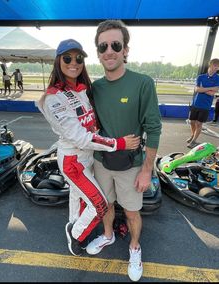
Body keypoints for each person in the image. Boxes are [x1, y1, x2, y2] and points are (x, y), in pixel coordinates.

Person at [37, 39, 140, 257]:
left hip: (89, 157)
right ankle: (76, 235)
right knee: (100, 205)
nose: (73, 62)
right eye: (67, 58)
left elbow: (92, 124)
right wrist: (119, 143)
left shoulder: (82, 90)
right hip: (73, 161)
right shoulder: (52, 98)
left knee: (78, 196)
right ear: (58, 61)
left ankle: (73, 224)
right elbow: (81, 137)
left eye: (78, 58)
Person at [85, 20, 162, 282]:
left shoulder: (143, 83)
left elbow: (154, 128)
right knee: (104, 204)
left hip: (131, 165)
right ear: (97, 52)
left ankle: (134, 248)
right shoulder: (94, 88)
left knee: (130, 211)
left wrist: (147, 169)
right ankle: (107, 236)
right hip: (101, 161)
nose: (109, 50)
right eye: (103, 46)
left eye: (115, 45)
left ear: (125, 50)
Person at [187, 58, 219, 148]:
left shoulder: (218, 78)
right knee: (192, 122)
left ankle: (193, 141)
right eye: (215, 66)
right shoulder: (200, 77)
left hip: (205, 105)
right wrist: (209, 88)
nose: (216, 68)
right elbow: (197, 89)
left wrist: (203, 89)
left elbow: (214, 91)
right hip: (196, 103)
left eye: (218, 67)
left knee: (199, 123)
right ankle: (193, 135)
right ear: (211, 65)